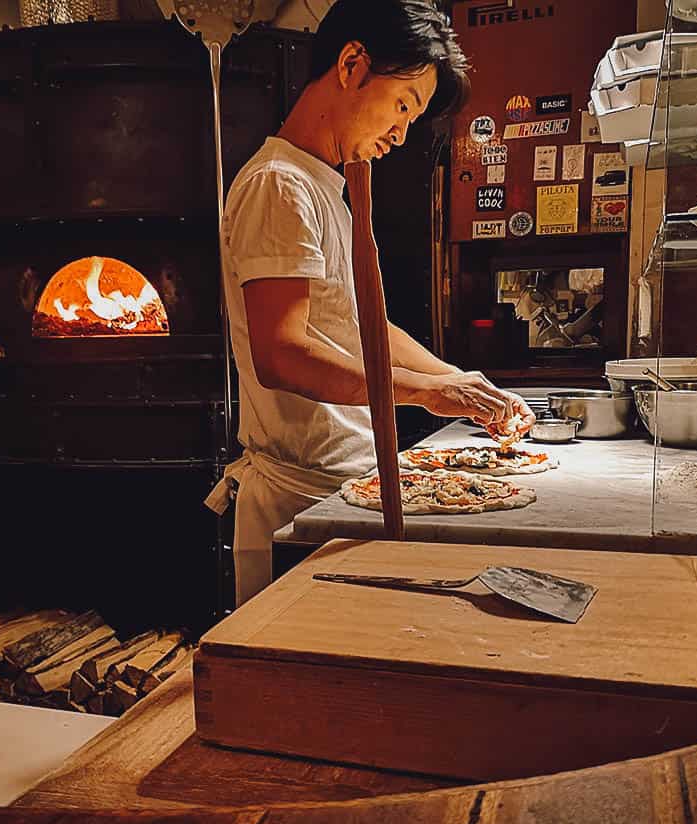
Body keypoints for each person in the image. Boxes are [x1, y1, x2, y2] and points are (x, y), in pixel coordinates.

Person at [205, 0, 534, 605]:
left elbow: (362, 326)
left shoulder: (322, 182)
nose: (401, 133)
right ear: (352, 64)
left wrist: (462, 382)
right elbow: (282, 354)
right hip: (301, 502)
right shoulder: (278, 183)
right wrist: (429, 393)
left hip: (342, 486)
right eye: (404, 105)